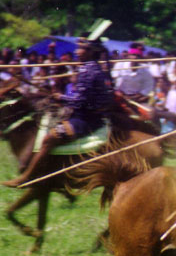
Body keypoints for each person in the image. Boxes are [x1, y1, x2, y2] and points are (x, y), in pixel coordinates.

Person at [3, 38, 114, 187]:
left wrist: (61, 97)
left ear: (90, 52)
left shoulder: (89, 71)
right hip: (82, 114)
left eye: (80, 49)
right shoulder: (88, 68)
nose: (76, 52)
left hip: (85, 119)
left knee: (50, 138)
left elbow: (81, 101)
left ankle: (27, 177)